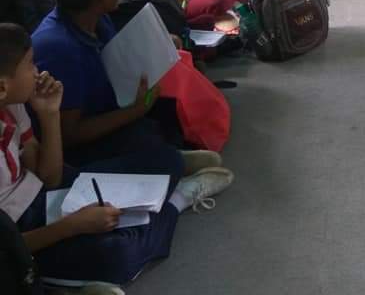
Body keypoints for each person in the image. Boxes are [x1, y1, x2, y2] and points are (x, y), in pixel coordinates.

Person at [1, 22, 233, 286]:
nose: (37, 71)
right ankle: (175, 202)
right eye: (30, 64)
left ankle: (148, 211)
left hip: (42, 196)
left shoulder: (13, 105)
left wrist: (49, 113)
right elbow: (7, 248)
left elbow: (49, 179)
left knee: (166, 159)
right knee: (117, 254)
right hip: (16, 234)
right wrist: (72, 226)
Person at [31, 0, 221, 171]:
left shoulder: (96, 18)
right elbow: (69, 134)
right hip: (73, 148)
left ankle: (167, 157)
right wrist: (134, 112)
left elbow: (115, 55)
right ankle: (171, 165)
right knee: (159, 153)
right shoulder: (58, 48)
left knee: (166, 112)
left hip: (108, 104)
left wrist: (160, 41)